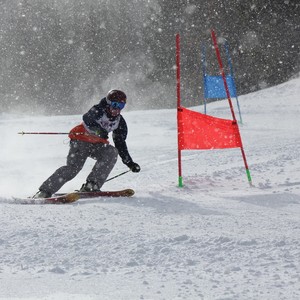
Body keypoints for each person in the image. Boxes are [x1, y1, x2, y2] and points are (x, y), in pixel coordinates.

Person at [33, 89, 140, 198]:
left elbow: (120, 143)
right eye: (115, 104)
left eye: (121, 106)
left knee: (111, 152)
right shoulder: (98, 110)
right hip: (80, 141)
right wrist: (98, 130)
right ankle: (45, 191)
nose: (117, 109)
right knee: (73, 168)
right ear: (108, 103)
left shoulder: (119, 122)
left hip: (97, 145)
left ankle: (92, 185)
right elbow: (87, 118)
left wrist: (129, 163)